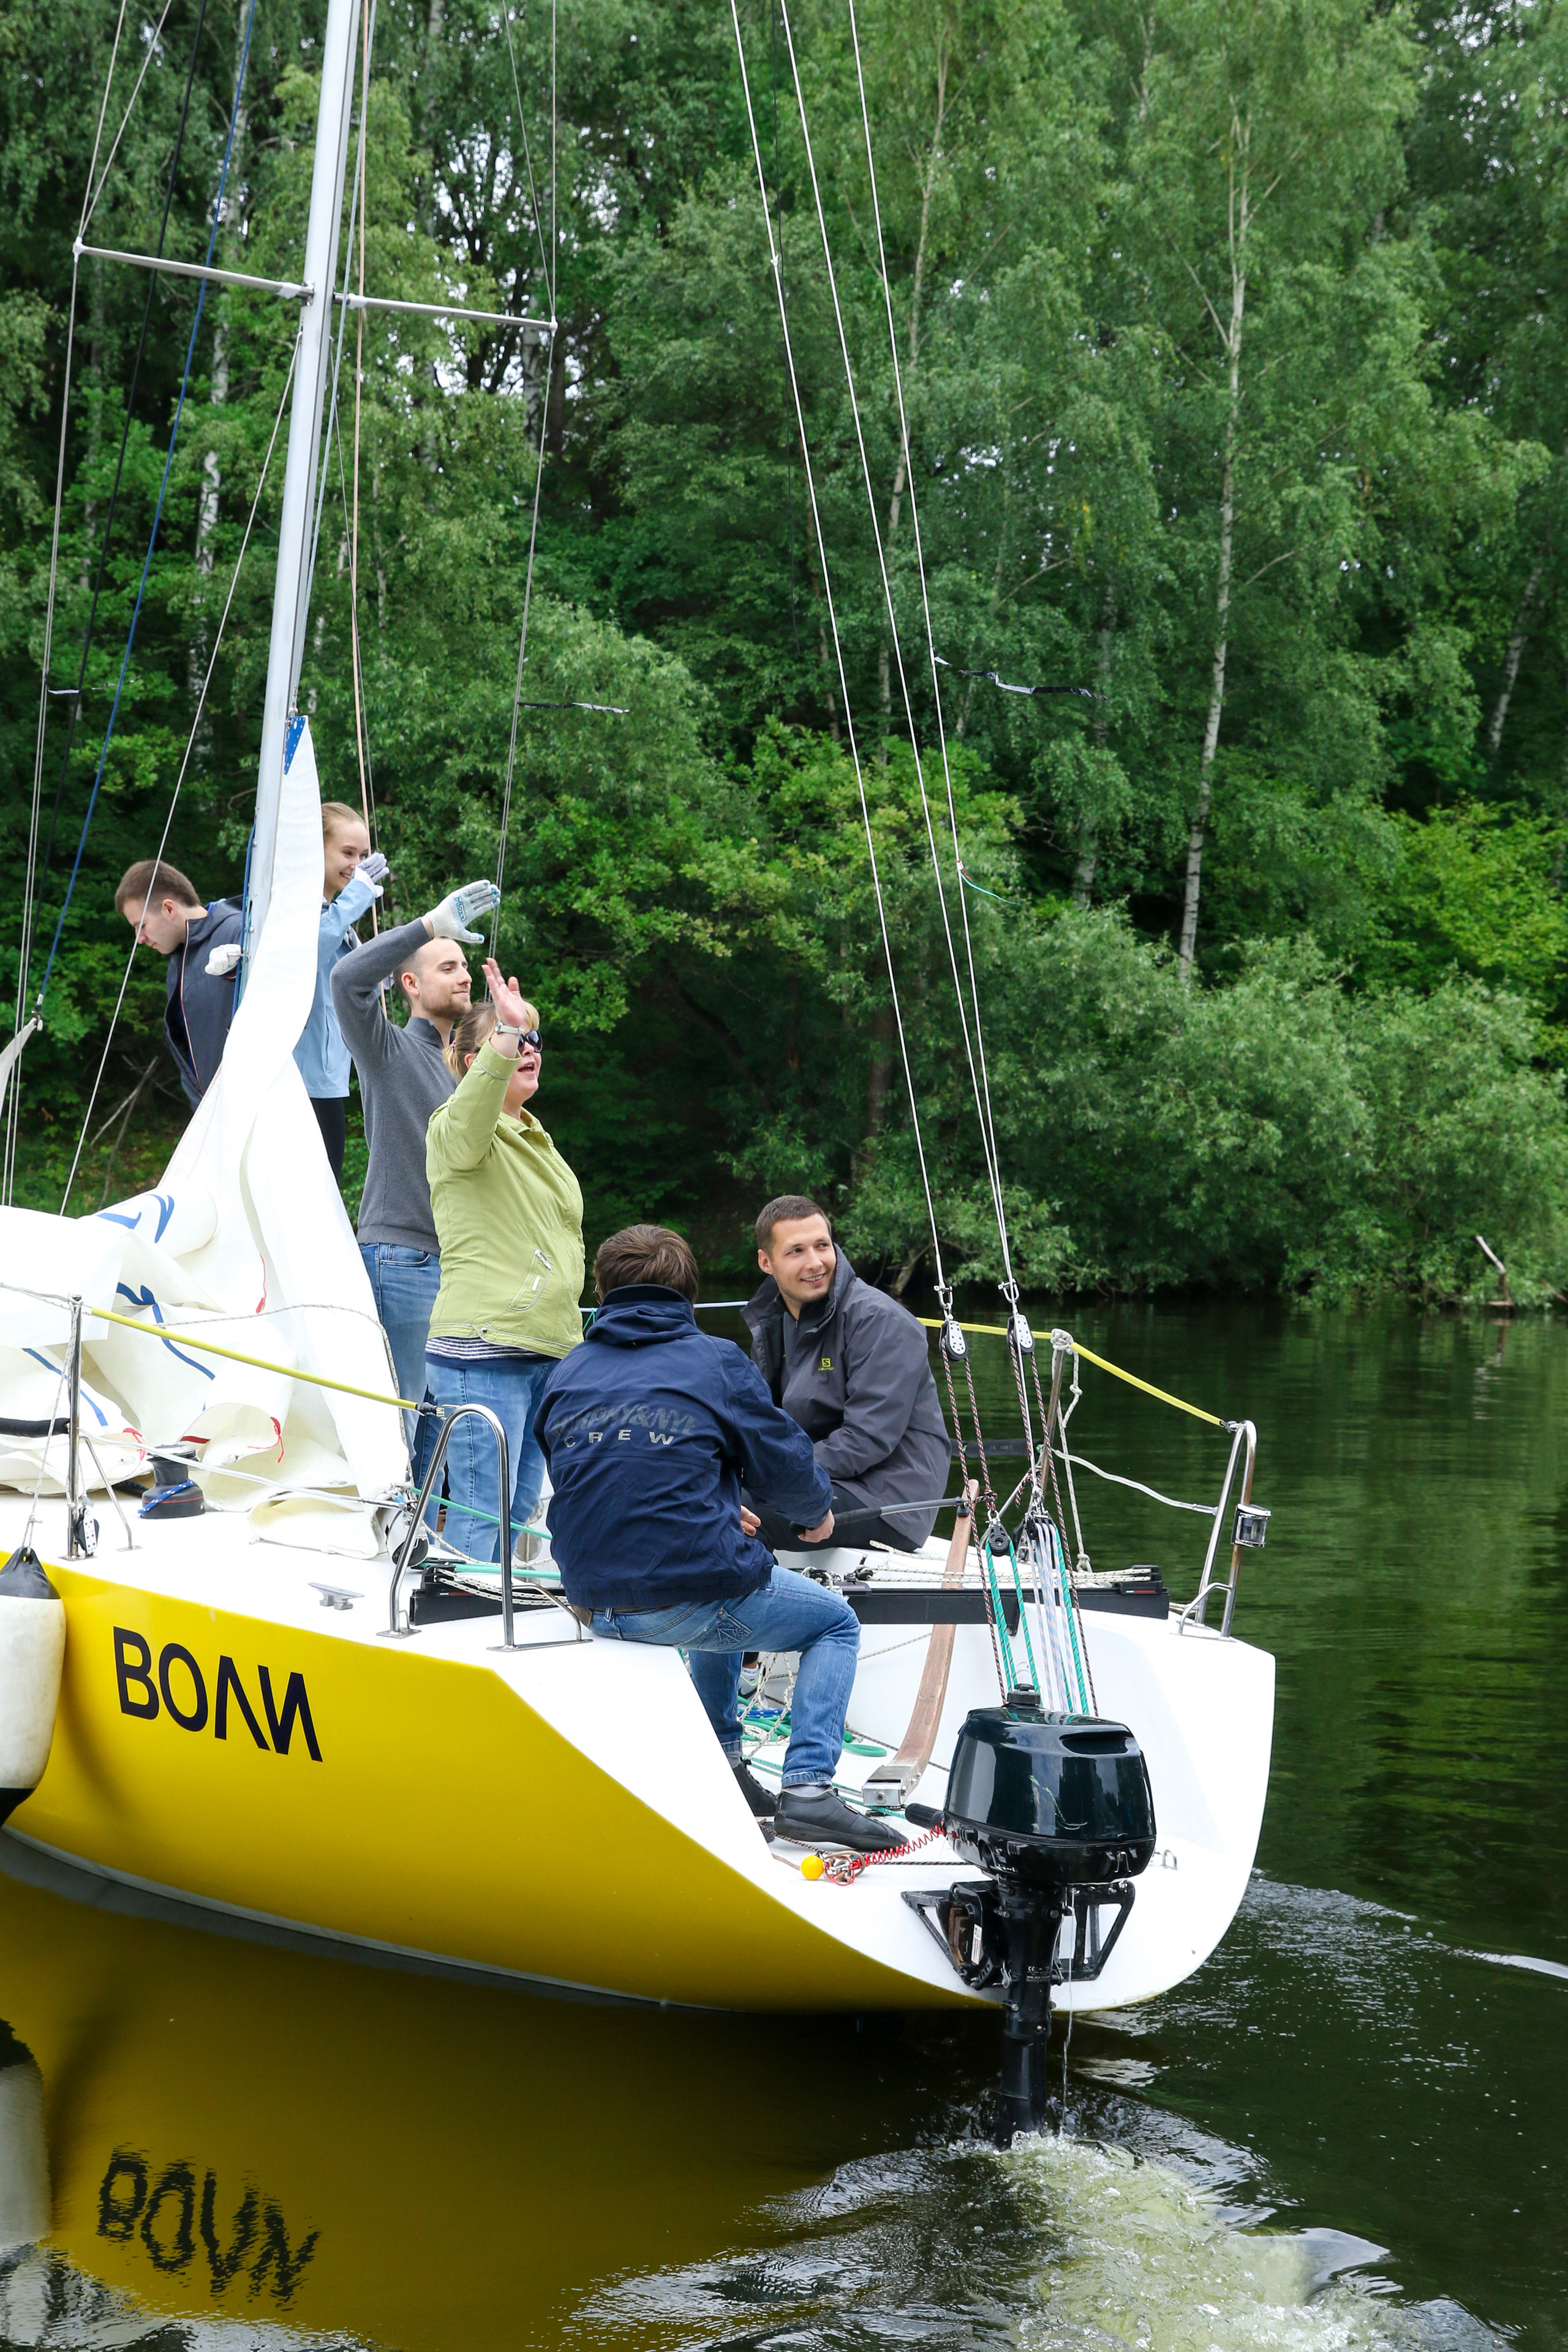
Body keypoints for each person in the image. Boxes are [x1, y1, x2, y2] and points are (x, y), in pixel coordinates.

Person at [536, 1223, 908, 1855]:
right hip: (683, 1595)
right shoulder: (715, 1360)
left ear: (600, 1290)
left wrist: (711, 1505)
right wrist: (816, 1511)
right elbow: (784, 1463)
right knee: (832, 1624)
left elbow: (594, 1473)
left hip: (595, 1601)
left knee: (729, 1569)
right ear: (687, 1293)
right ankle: (811, 1790)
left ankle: (728, 1770)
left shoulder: (567, 1370)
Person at [331, 876, 499, 1479]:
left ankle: (420, 1537)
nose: (463, 975)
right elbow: (346, 981)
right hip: (401, 1257)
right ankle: (390, 1530)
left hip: (454, 1268)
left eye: (464, 965)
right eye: (446, 964)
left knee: (438, 1417)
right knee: (398, 1412)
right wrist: (429, 925)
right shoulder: (389, 1052)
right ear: (410, 983)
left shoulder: (461, 1076)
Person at [423, 959, 584, 1562]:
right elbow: (470, 1114)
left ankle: (494, 1619)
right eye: (515, 1039)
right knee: (479, 1508)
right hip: (483, 1348)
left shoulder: (535, 1137)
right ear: (476, 1064)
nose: (529, 1047)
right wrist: (505, 1037)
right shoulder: (457, 1130)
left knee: (519, 1512)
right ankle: (457, 1633)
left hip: (544, 1349)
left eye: (533, 1037)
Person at [744, 1194, 952, 1554]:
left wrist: (772, 1473)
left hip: (888, 1500)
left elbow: (866, 1439)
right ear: (767, 1262)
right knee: (705, 1500)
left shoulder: (880, 1321)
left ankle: (767, 1610)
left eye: (822, 1246)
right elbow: (760, 1424)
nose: (815, 1263)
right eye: (796, 1251)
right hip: (816, 1477)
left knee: (737, 1520)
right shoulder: (772, 1323)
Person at [293, 801, 385, 1182]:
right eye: (348, 853)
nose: (358, 865)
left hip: (329, 1080)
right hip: (300, 1083)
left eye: (364, 855)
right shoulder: (299, 908)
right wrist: (356, 898)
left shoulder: (333, 912)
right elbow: (304, 957)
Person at [115, 858, 244, 1108]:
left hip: (249, 1115)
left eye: (141, 925)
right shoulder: (177, 964)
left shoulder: (239, 931)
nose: (139, 939)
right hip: (214, 1118)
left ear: (169, 909)